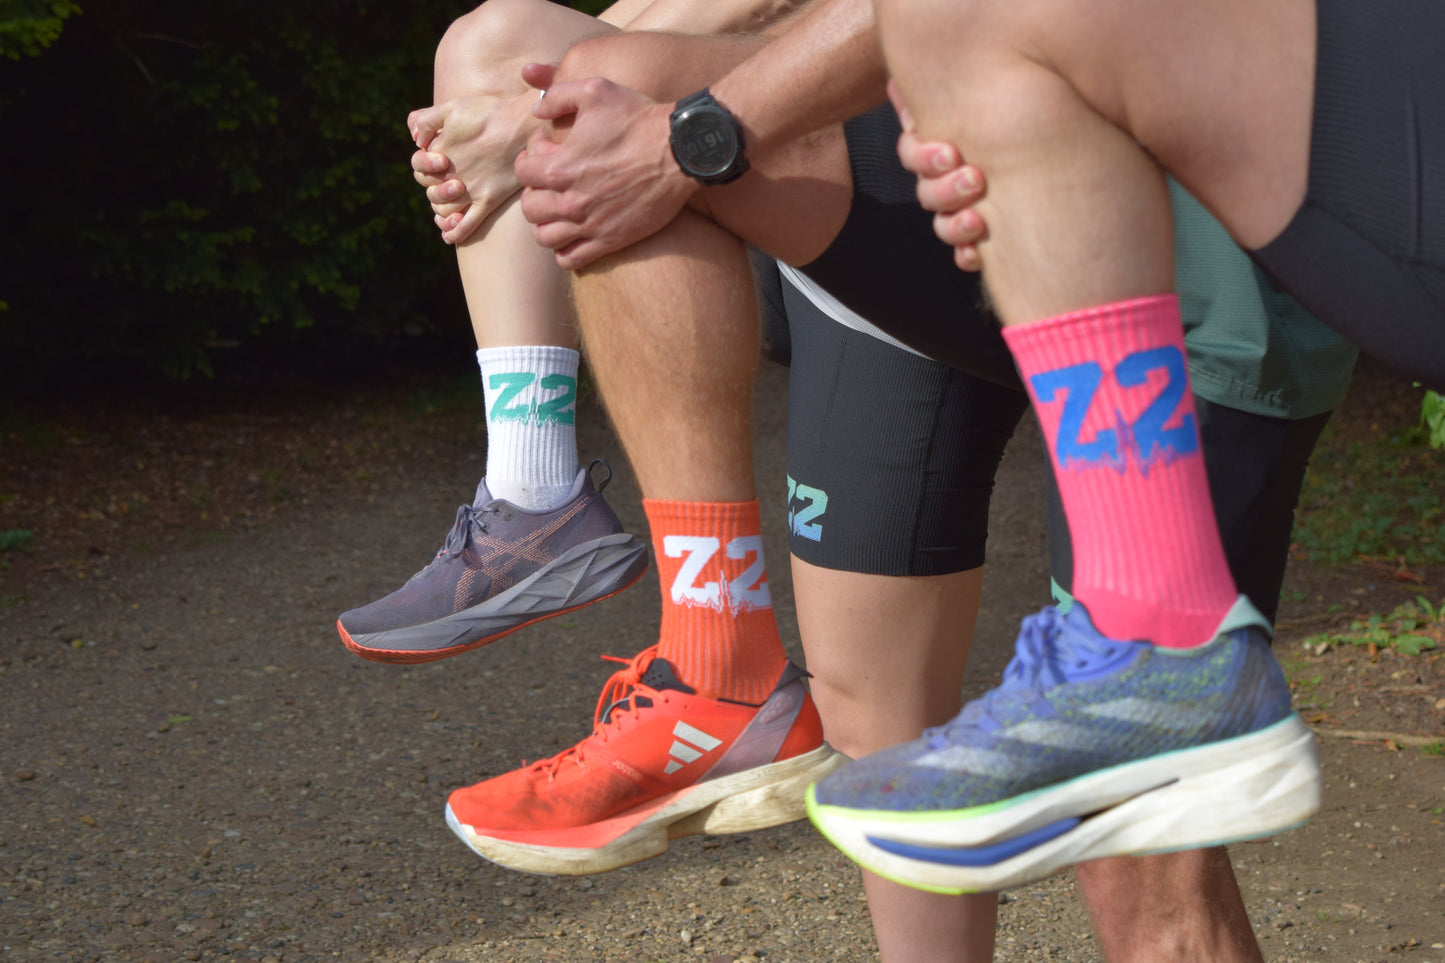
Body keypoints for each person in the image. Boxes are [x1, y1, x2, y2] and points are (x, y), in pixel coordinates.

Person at [411, 4, 1352, 961]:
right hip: (952, 163)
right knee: (873, 715)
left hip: (1178, 253)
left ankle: (618, 567)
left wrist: (669, 129)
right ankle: (703, 637)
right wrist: (529, 99)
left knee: (1134, 838)